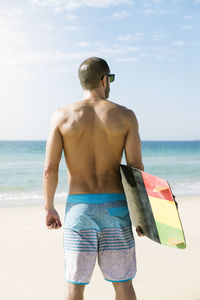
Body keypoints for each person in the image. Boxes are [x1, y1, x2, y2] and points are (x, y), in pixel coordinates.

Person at [43, 57, 144, 300]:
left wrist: (49, 208)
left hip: (79, 210)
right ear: (103, 79)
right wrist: (142, 215)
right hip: (117, 210)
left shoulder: (61, 116)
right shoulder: (125, 116)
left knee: (75, 286)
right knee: (123, 284)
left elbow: (50, 168)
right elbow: (135, 167)